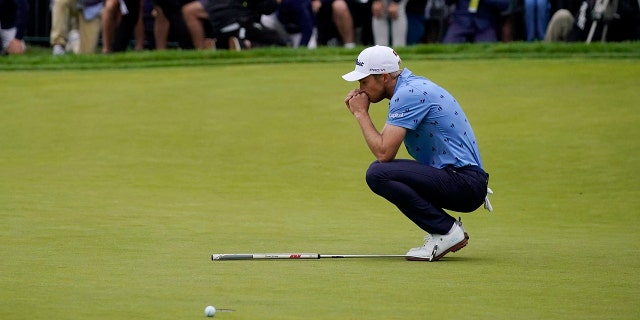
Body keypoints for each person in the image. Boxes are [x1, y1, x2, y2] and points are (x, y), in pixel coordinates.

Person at [341, 45, 492, 261]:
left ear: (384, 77)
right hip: (463, 180)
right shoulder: (408, 88)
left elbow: (384, 153)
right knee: (381, 172)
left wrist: (360, 113)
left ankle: (447, 231)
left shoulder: (408, 94)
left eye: (364, 82)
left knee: (378, 173)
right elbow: (383, 143)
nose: (360, 88)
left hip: (464, 183)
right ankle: (443, 231)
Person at [442, 0, 511, 43]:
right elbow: (447, 2)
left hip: (484, 24)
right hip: (461, 22)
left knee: (488, 50)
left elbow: (505, 4)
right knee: (447, 47)